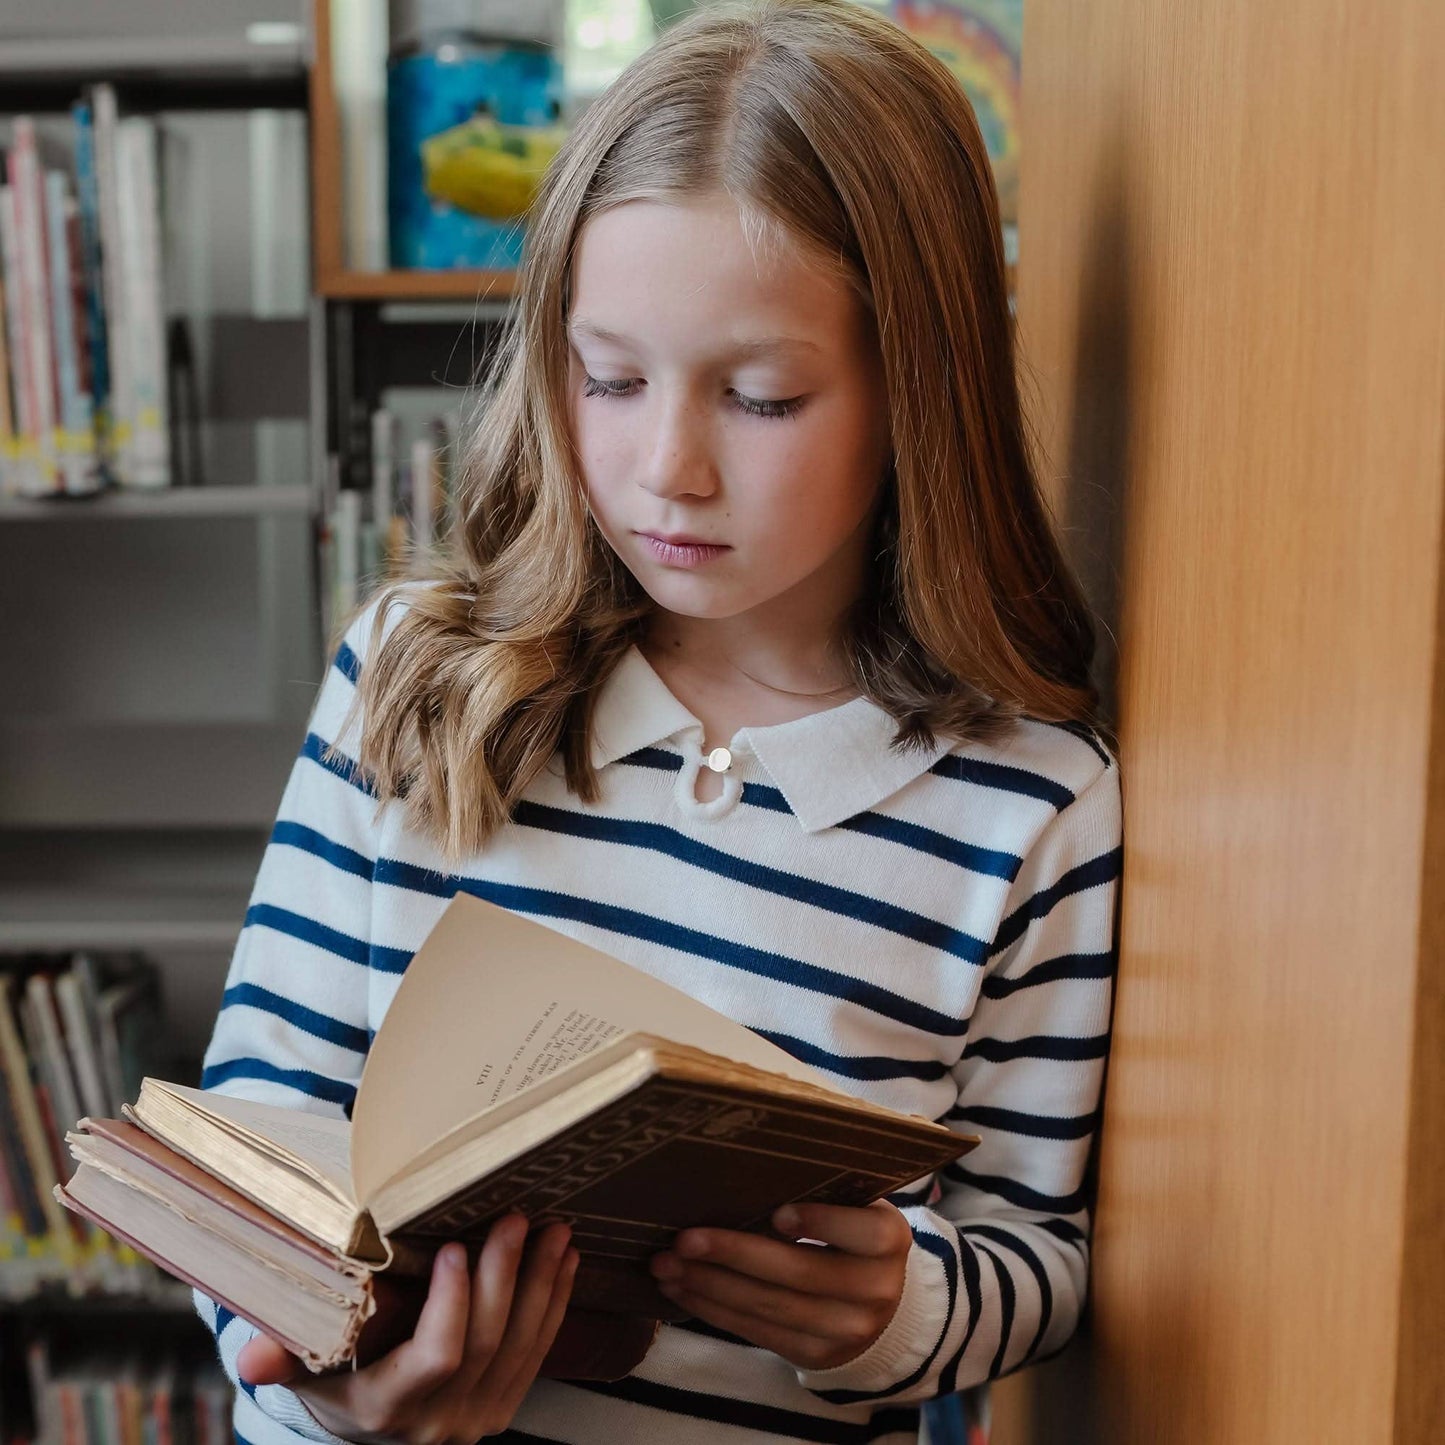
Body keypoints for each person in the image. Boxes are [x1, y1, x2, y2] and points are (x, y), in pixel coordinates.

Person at [196, 2, 1123, 1442]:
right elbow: (253, 1124)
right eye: (607, 378)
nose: (664, 468)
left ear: (916, 388)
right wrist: (332, 1386)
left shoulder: (1029, 804)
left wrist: (901, 1308)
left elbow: (1042, 1256)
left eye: (760, 398)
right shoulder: (410, 675)